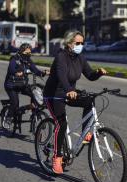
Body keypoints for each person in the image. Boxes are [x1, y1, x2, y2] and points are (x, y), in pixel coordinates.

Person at [43, 30, 107, 174]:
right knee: (61, 123)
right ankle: (57, 158)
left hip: (69, 93)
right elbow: (61, 75)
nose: (80, 45)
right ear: (69, 43)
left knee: (89, 100)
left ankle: (85, 132)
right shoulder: (61, 56)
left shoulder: (80, 58)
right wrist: (68, 90)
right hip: (54, 95)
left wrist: (98, 73)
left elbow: (90, 75)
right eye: (77, 43)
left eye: (82, 43)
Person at [4, 43, 48, 125]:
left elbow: (36, 71)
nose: (28, 55)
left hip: (22, 85)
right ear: (21, 52)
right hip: (11, 86)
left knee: (35, 94)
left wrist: (44, 72)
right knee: (15, 102)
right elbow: (11, 69)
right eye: (26, 53)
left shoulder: (28, 61)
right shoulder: (14, 59)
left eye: (30, 53)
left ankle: (29, 110)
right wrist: (17, 72)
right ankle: (8, 117)